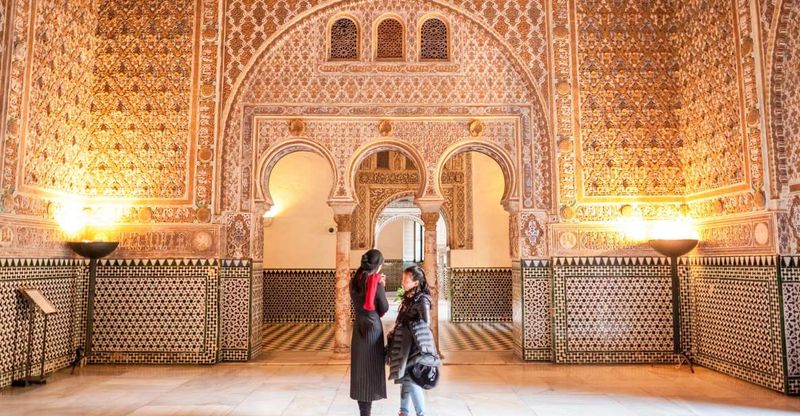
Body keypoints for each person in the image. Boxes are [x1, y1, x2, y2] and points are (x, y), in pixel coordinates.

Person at [387, 265, 434, 416]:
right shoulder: (409, 297)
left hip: (414, 348)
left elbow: (425, 324)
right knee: (405, 378)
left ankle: (421, 413)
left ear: (416, 283)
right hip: (404, 345)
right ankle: (403, 411)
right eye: (403, 279)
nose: (402, 282)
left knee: (412, 381)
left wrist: (406, 326)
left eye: (406, 280)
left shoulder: (422, 300)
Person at [350, 249, 389, 416]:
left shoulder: (355, 280)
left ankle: (363, 412)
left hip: (359, 325)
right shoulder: (375, 283)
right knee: (371, 368)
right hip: (372, 327)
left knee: (360, 369)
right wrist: (382, 287)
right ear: (378, 265)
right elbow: (384, 307)